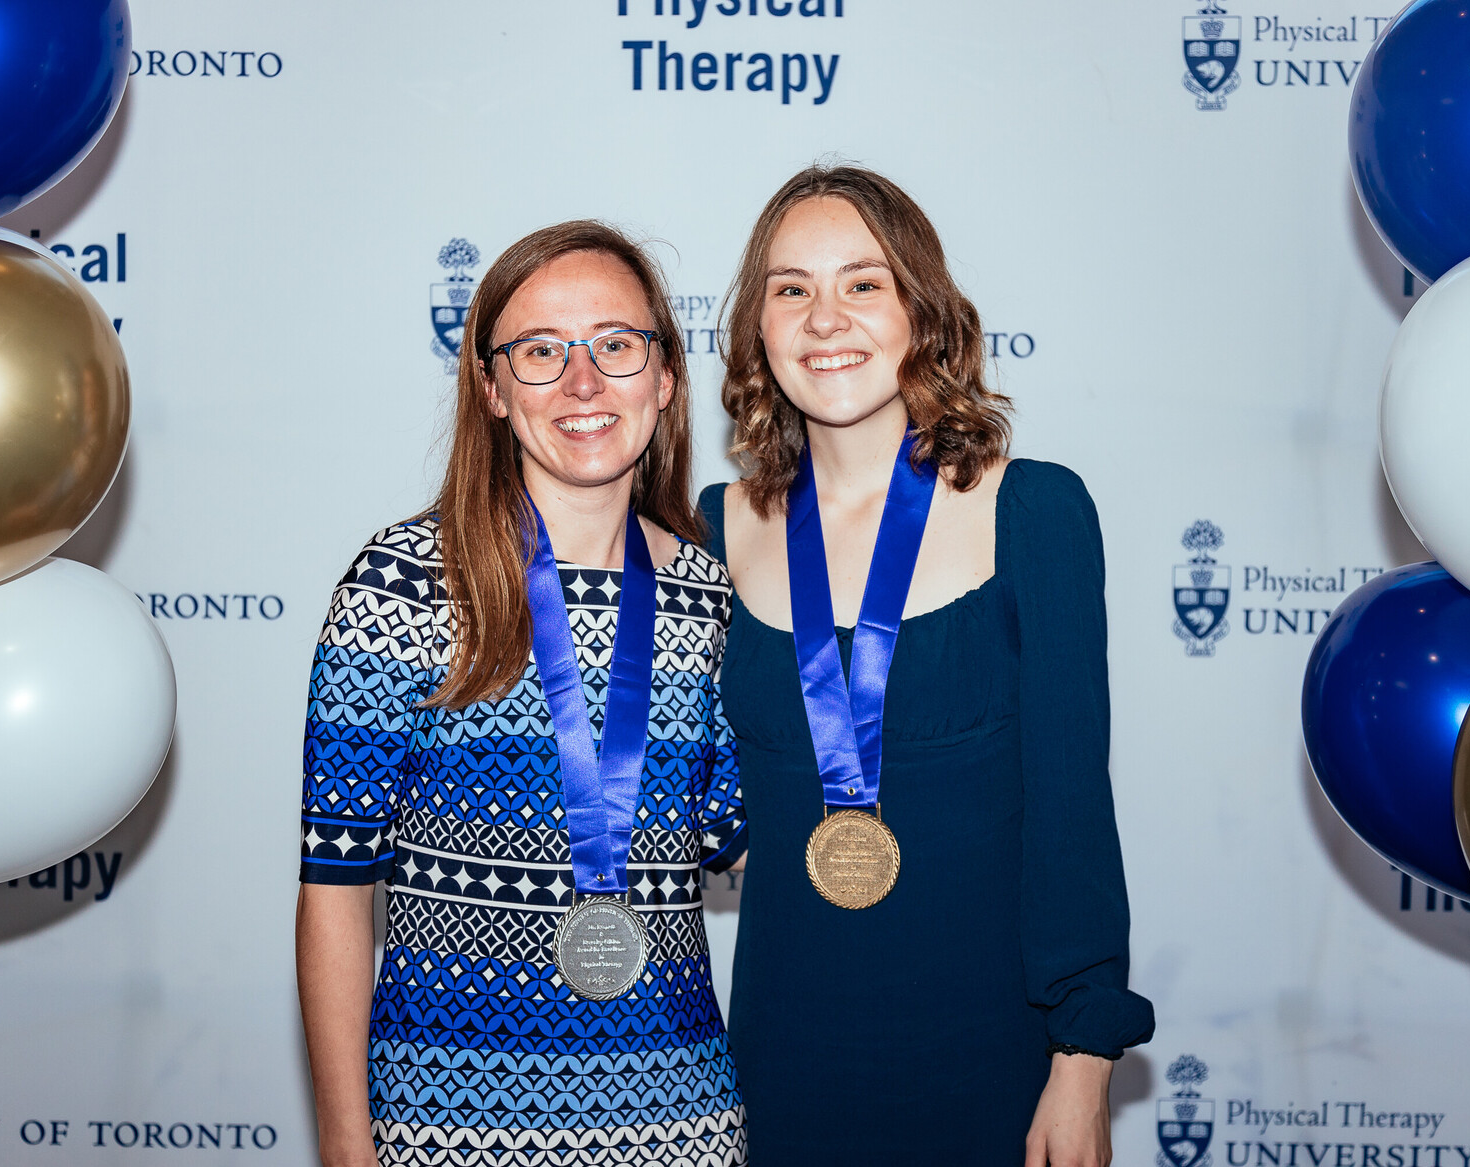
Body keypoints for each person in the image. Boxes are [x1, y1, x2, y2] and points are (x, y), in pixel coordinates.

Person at [699, 166, 1154, 1165]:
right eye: (790, 289)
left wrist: (1081, 1064)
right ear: (756, 330)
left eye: (862, 284)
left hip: (991, 1062)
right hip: (782, 1060)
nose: (825, 318)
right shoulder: (708, 531)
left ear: (921, 313)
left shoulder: (1033, 513)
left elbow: (1072, 812)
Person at [297, 221, 748, 1167]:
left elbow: (738, 840)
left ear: (664, 380)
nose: (583, 383)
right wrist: (346, 1140)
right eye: (541, 352)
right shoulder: (401, 584)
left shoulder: (715, 598)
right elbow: (336, 889)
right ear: (493, 389)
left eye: (616, 346)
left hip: (680, 1121)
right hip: (444, 1126)